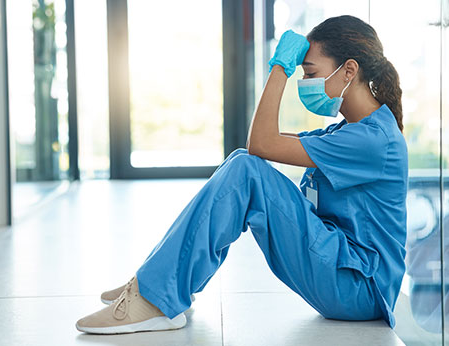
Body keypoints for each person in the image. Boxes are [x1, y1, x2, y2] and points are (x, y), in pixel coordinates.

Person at [75, 14, 408, 335]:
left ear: (349, 70)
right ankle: (163, 286)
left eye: (309, 73)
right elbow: (263, 145)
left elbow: (260, 143)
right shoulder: (345, 133)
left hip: (359, 289)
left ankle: (158, 298)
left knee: (246, 168)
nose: (305, 83)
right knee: (242, 162)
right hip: (343, 274)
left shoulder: (372, 140)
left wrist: (279, 68)